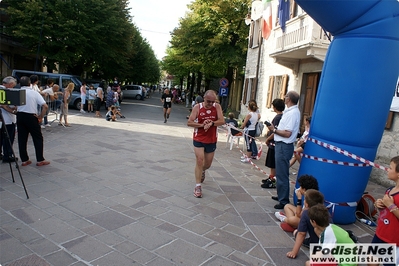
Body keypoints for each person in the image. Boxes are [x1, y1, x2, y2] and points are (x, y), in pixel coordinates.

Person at [187, 90, 225, 198]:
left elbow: (222, 121)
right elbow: (189, 122)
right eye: (208, 101)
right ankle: (198, 186)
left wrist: (212, 123)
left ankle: (203, 170)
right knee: (199, 160)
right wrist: (201, 125)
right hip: (199, 138)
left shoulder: (216, 107)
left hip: (211, 139)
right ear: (204, 98)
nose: (210, 104)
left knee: (207, 164)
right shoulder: (197, 108)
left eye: (212, 101)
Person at [267, 91, 301, 209]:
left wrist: (274, 130)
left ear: (289, 99)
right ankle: (281, 195)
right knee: (280, 172)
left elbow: (287, 133)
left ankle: (284, 200)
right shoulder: (290, 112)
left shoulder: (292, 113)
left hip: (284, 144)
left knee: (282, 173)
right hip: (282, 144)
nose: (284, 97)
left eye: (286, 96)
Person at [370, 156, 399, 266]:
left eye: (391, 168)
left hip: (393, 240)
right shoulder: (390, 190)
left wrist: (390, 205)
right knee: (371, 261)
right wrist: (380, 206)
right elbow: (385, 211)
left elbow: (391, 207)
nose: (387, 169)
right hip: (380, 233)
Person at [16, 76, 50, 167]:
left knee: (22, 138)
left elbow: (14, 106)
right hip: (31, 116)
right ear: (29, 83)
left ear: (20, 84)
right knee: (37, 137)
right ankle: (40, 159)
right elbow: (45, 106)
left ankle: (24, 159)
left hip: (20, 115)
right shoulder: (34, 93)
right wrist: (40, 116)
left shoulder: (17, 93)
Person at [286, 189, 324, 259]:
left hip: (317, 243)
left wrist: (294, 252)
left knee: (296, 232)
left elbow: (301, 234)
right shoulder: (325, 211)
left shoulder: (306, 213)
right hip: (329, 242)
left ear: (306, 204)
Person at [262, 98, 285, 188]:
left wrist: (268, 138)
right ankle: (271, 177)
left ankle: (272, 180)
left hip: (274, 143)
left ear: (275, 107)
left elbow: (275, 131)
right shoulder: (282, 116)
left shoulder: (278, 117)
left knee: (272, 163)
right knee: (272, 163)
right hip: (275, 142)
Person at [1, 76, 18, 163]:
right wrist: (13, 110)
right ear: (10, 84)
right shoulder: (7, 92)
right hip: (8, 119)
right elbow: (5, 105)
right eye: (13, 86)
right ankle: (7, 155)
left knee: (1, 138)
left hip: (2, 119)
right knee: (8, 138)